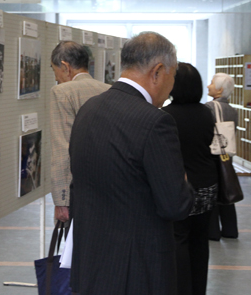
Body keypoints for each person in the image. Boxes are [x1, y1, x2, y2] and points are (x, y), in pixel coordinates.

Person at [69, 32, 195, 295]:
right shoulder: (155, 122)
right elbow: (176, 205)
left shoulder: (89, 109)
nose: (171, 88)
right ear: (158, 72)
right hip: (136, 269)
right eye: (173, 76)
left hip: (90, 262)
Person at [162, 63, 218, 295]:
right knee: (200, 240)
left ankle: (181, 289)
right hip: (207, 184)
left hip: (180, 186)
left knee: (178, 239)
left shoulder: (166, 115)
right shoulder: (206, 112)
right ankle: (198, 290)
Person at [49, 41, 110, 225]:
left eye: (55, 72)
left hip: (80, 189)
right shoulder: (108, 89)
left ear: (65, 67)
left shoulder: (62, 92)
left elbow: (62, 148)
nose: (57, 79)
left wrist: (62, 201)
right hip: (108, 185)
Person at [206, 72, 240, 240]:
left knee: (213, 192)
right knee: (226, 190)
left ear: (219, 91)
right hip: (226, 156)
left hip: (213, 155)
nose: (208, 86)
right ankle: (230, 229)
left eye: (212, 83)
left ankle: (212, 232)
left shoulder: (210, 107)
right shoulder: (233, 110)